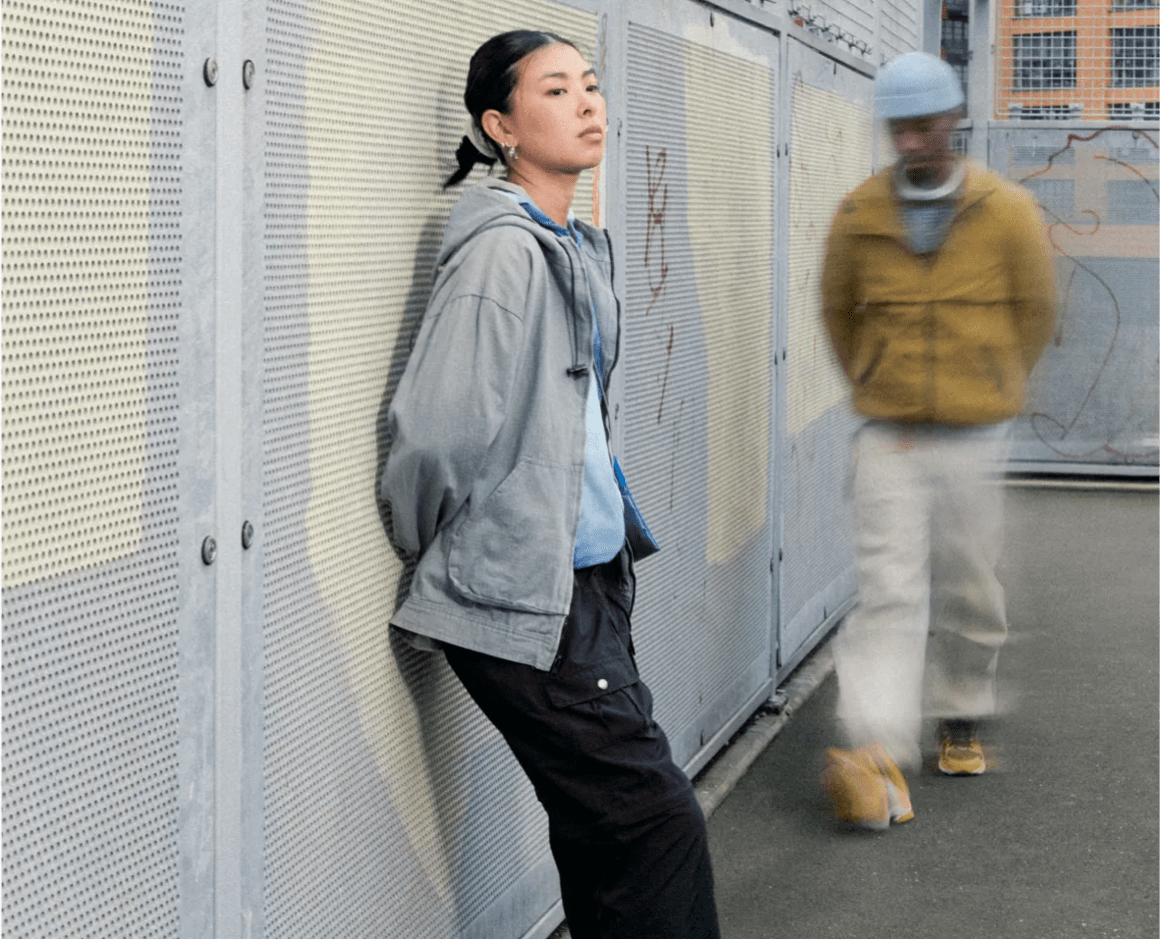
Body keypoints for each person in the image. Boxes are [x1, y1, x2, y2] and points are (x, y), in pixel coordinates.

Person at [381, 30, 720, 938]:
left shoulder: (571, 244)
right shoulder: (503, 254)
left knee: (605, 830)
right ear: (501, 126)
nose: (586, 103)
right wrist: (457, 550)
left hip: (590, 579)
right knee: (655, 824)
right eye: (556, 90)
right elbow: (434, 434)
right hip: (529, 588)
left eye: (591, 85)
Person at [819, 51, 1056, 830]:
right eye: (900, 127)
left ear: (953, 119)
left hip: (974, 431)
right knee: (887, 594)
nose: (912, 141)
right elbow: (838, 312)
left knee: (971, 586)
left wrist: (989, 385)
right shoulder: (860, 214)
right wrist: (876, 381)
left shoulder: (1008, 211)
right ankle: (877, 750)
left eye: (925, 125)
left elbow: (1034, 315)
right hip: (890, 433)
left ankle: (963, 707)